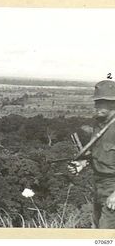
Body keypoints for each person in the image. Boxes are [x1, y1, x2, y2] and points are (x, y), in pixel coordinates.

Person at [68, 80, 115, 229]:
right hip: (98, 184)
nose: (97, 106)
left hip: (112, 186)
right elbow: (96, 151)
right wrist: (83, 163)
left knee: (105, 233)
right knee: (96, 228)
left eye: (102, 102)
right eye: (97, 102)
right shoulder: (99, 124)